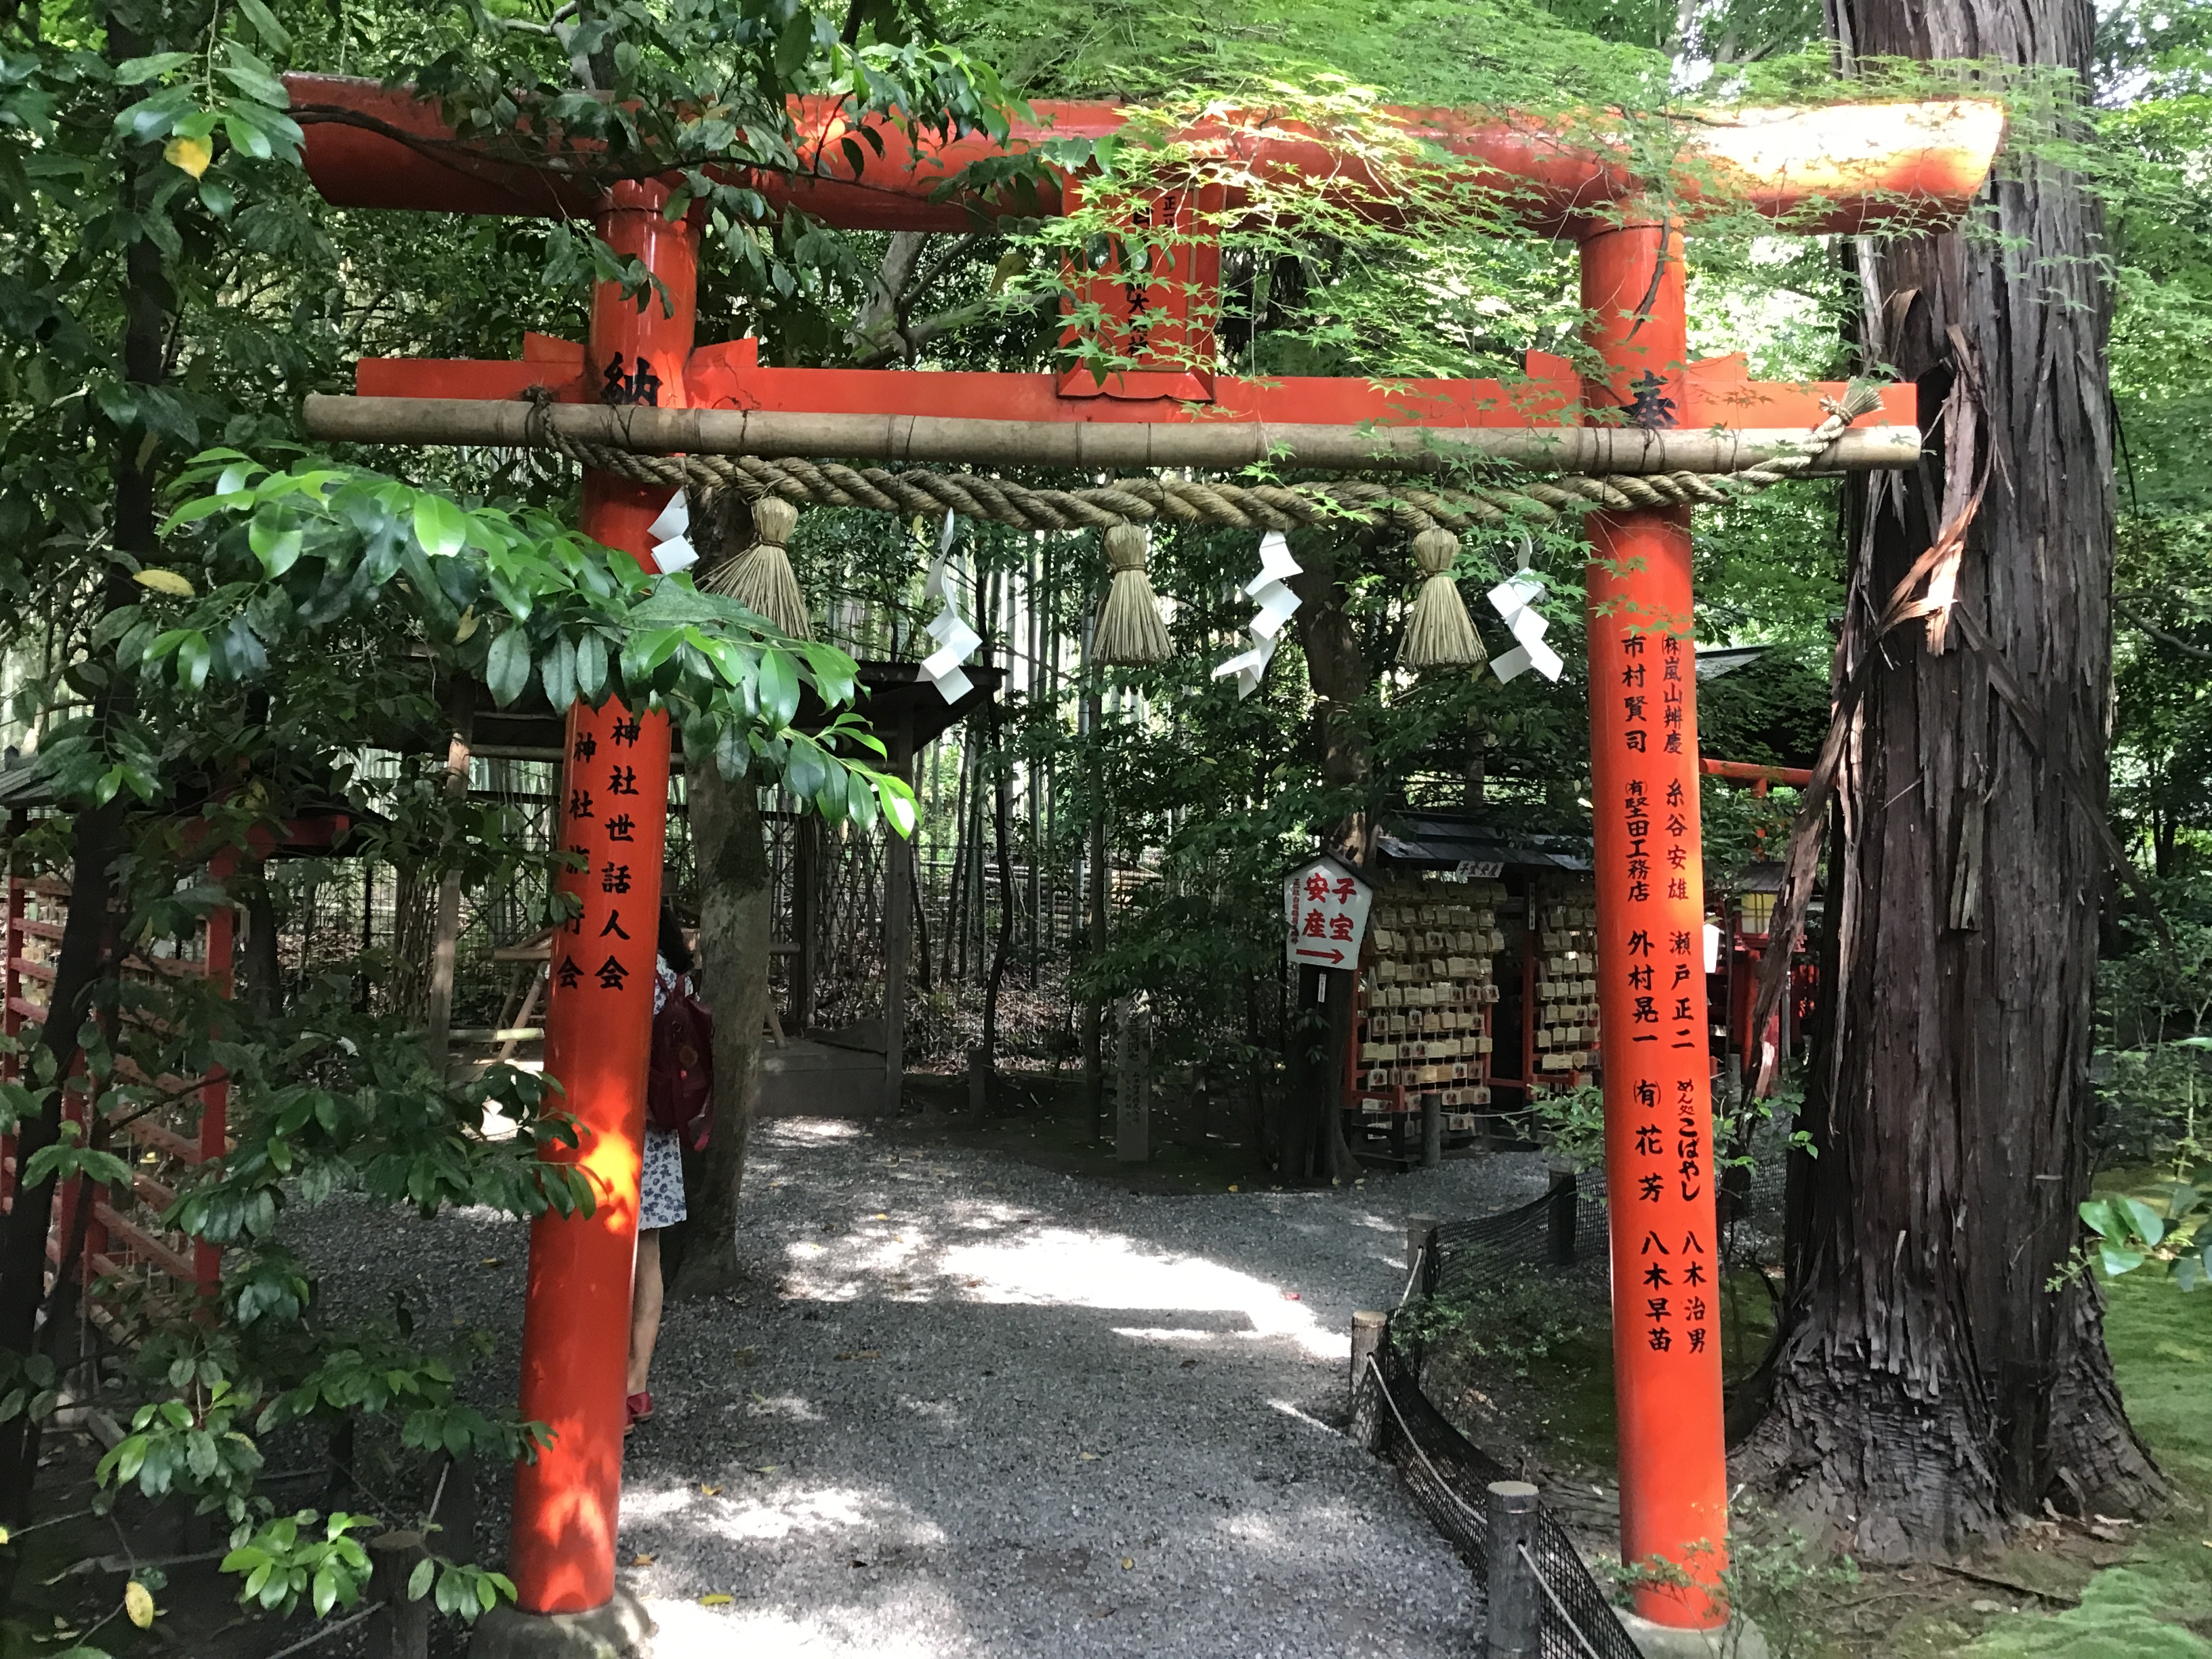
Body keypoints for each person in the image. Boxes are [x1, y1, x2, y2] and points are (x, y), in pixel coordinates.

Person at [627, 901, 694, 1432]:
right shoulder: (675, 977)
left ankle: (600, 1381)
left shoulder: (620, 967)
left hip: (615, 1122)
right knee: (647, 1253)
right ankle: (637, 1384)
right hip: (660, 1126)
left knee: (607, 1248)